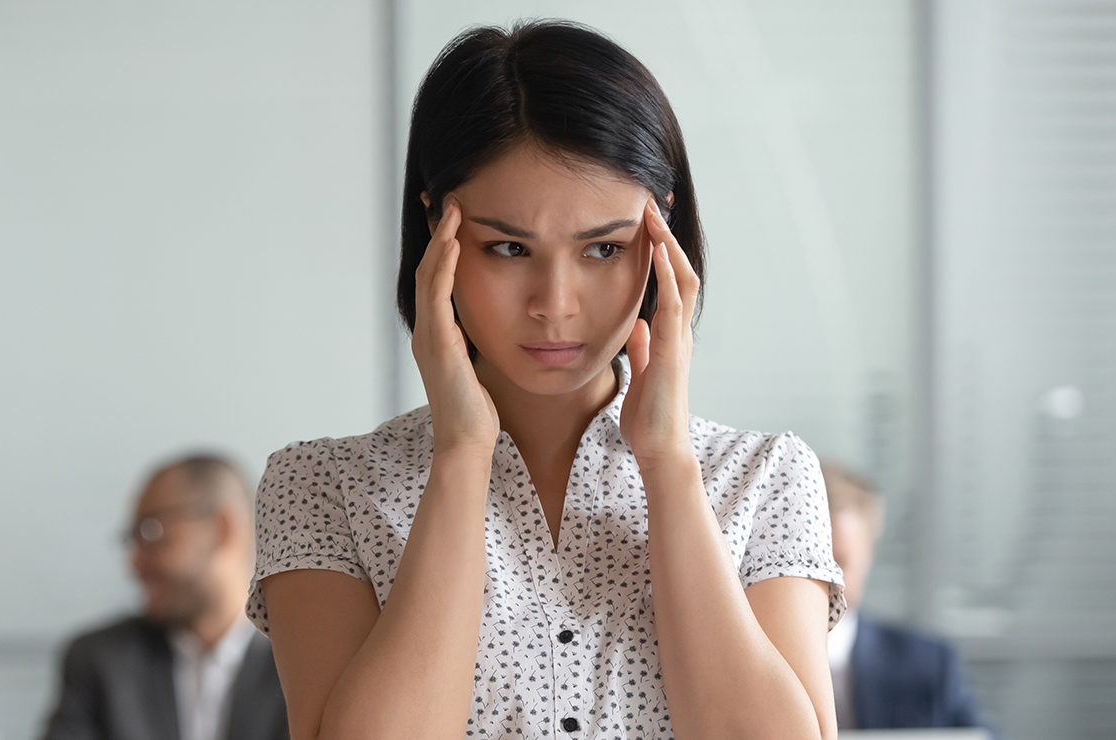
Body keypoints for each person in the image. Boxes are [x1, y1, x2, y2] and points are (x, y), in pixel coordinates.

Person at [249, 20, 846, 740]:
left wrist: (669, 468)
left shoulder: (765, 478)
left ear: (663, 240)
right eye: (508, 247)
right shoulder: (320, 488)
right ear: (435, 227)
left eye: (603, 248)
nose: (555, 304)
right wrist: (462, 455)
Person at [42, 455, 287, 740]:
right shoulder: (99, 662)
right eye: (132, 539)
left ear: (222, 529)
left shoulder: (303, 666)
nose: (134, 565)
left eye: (151, 531)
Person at [823, 462, 988, 731]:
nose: (828, 582)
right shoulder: (742, 666)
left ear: (869, 555)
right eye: (811, 565)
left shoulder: (929, 665)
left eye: (841, 562)